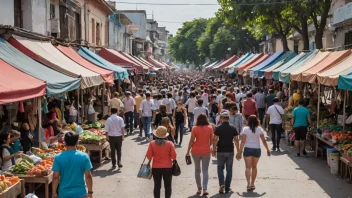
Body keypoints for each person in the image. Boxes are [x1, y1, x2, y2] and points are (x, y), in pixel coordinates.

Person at [52, 132, 93, 198]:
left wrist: (54, 193)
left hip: (64, 193)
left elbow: (55, 176)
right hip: (80, 193)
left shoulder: (58, 157)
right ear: (77, 142)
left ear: (65, 142)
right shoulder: (84, 156)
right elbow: (88, 176)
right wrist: (90, 192)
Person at [239, 115, 271, 191]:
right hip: (256, 149)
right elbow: (263, 140)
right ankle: (253, 183)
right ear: (257, 120)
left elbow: (243, 141)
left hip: (248, 149)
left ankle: (248, 184)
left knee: (247, 167)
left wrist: (239, 152)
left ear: (248, 121)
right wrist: (267, 149)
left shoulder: (245, 129)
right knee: (254, 167)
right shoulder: (259, 129)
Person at [212, 111, 240, 194]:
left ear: (221, 118)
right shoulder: (233, 128)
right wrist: (238, 151)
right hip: (230, 151)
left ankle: (221, 183)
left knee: (220, 167)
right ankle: (227, 186)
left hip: (220, 150)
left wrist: (213, 150)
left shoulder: (218, 128)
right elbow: (236, 140)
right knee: (229, 169)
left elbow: (215, 139)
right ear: (229, 118)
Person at [186, 114, 213, 196]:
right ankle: (205, 189)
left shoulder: (194, 128)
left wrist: (187, 151)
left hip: (195, 150)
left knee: (197, 170)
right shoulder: (210, 128)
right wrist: (211, 147)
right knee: (205, 170)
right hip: (206, 151)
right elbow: (211, 140)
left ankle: (199, 188)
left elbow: (191, 140)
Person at [146, 126, 177, 198]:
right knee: (168, 186)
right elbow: (174, 156)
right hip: (168, 167)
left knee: (157, 186)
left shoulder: (152, 143)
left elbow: (149, 156)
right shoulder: (170, 143)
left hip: (156, 168)